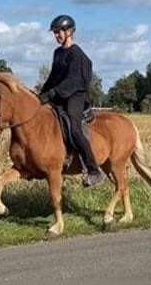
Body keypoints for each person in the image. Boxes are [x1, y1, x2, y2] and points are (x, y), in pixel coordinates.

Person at [39, 14, 102, 187]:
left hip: (74, 95)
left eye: (59, 32)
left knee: (74, 128)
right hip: (59, 93)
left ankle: (93, 169)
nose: (56, 35)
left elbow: (72, 81)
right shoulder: (58, 53)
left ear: (70, 31)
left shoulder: (76, 54)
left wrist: (51, 94)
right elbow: (53, 77)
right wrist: (40, 95)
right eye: (55, 33)